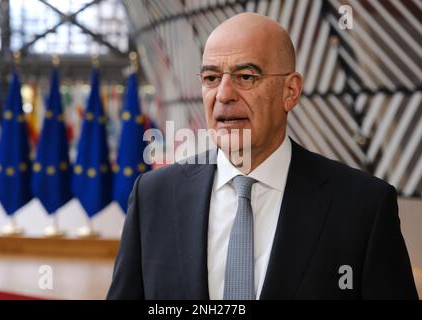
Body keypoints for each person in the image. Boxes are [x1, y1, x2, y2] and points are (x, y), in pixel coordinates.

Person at [107, 13, 418, 300]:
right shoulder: (153, 196)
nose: (224, 94)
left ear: (291, 91)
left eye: (245, 76)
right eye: (211, 78)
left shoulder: (362, 207)